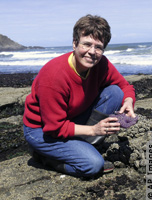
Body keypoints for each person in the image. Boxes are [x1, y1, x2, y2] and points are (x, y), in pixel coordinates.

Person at [23, 14, 136, 178]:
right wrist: (93, 129)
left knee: (115, 93)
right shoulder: (54, 77)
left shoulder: (101, 64)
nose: (92, 52)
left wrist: (128, 102)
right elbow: (54, 127)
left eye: (98, 47)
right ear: (75, 43)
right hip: (42, 130)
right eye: (87, 44)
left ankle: (82, 144)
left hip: (72, 117)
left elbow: (124, 86)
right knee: (93, 165)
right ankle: (45, 158)